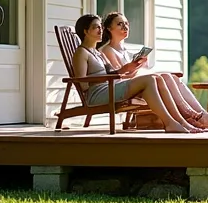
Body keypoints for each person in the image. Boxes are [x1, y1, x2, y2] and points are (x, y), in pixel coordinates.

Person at [70, 14, 200, 134]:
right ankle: (170, 123)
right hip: (98, 94)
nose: (100, 30)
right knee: (149, 80)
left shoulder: (97, 52)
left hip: (110, 87)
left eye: (100, 27)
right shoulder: (81, 53)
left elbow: (113, 73)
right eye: (95, 27)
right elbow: (83, 84)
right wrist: (110, 78)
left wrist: (129, 67)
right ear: (85, 31)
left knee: (156, 78)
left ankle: (180, 121)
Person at [99, 11, 208, 130]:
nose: (125, 27)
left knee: (171, 77)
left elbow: (131, 73)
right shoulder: (108, 50)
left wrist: (138, 65)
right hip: (129, 88)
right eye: (120, 24)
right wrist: (134, 68)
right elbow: (119, 77)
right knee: (165, 77)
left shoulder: (124, 50)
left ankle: (201, 114)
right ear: (109, 29)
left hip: (138, 84)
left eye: (127, 23)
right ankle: (191, 115)